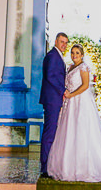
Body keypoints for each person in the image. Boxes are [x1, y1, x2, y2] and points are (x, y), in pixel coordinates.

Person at [46, 44, 101, 183]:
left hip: (81, 102)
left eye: (77, 53)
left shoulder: (83, 67)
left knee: (82, 131)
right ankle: (67, 166)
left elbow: (85, 86)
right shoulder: (70, 67)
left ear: (82, 55)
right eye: (72, 52)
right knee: (69, 131)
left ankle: (86, 167)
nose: (74, 55)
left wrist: (71, 95)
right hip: (70, 103)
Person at [39, 32, 68, 178]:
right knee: (49, 132)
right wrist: (63, 90)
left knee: (52, 132)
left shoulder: (57, 56)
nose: (64, 45)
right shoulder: (52, 56)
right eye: (62, 42)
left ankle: (49, 164)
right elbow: (50, 76)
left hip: (54, 99)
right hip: (52, 100)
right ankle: (45, 168)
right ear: (56, 41)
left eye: (66, 42)